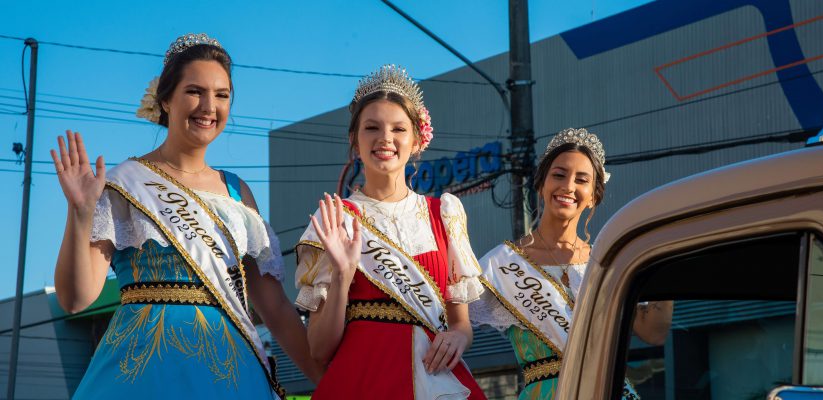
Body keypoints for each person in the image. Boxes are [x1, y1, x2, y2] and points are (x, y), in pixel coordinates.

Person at [50, 33, 321, 399]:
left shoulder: (238, 192)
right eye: (195, 91)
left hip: (229, 372)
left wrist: (331, 380)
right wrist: (80, 213)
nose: (209, 106)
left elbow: (273, 307)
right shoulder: (124, 184)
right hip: (144, 372)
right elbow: (76, 299)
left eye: (222, 95)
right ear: (166, 99)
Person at [294, 65, 488, 399]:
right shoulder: (335, 219)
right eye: (372, 127)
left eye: (398, 129)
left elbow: (460, 323)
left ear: (416, 141)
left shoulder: (444, 214)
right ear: (355, 140)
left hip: (436, 377)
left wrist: (459, 337)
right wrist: (342, 274)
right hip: (363, 379)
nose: (385, 138)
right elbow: (319, 349)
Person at [469, 128, 673, 399]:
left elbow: (653, 332)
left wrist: (664, 250)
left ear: (593, 197)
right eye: (559, 175)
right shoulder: (502, 264)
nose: (568, 187)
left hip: (605, 390)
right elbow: (451, 322)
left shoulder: (608, 260)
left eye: (582, 180)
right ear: (540, 184)